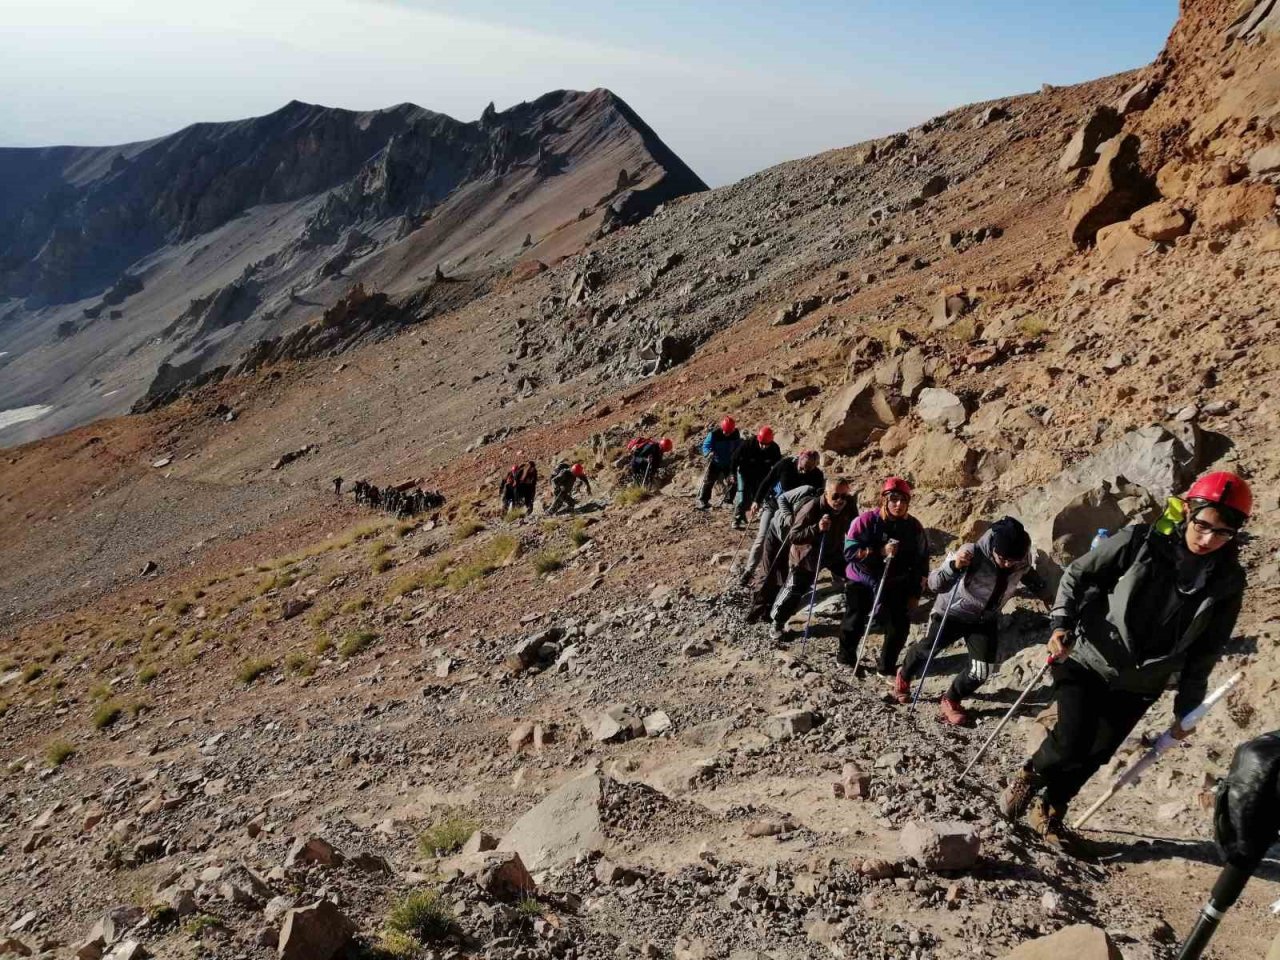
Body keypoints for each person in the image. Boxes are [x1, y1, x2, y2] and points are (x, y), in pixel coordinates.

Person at [999, 471, 1251, 849]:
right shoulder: (1139, 542)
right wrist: (1061, 623)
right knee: (1072, 740)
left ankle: (1052, 808)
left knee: (1098, 753)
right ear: (1187, 512)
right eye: (1202, 525)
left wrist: (1187, 708)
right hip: (1087, 657)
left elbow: (1206, 650)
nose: (1208, 539)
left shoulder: (1228, 581)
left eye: (1222, 534)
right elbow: (1076, 575)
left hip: (1142, 683)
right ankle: (1030, 776)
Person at [894, 517, 1047, 724]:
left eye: (1013, 560)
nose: (1008, 564)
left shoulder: (1020, 558)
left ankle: (951, 698)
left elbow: (1026, 572)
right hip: (953, 613)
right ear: (993, 547)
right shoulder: (970, 552)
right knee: (927, 650)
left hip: (985, 618)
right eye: (1003, 558)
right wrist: (955, 566)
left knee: (982, 670)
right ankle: (904, 676)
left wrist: (1042, 590)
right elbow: (934, 583)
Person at [839, 477, 929, 672]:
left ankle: (886, 667)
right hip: (862, 576)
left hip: (894, 581)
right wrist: (879, 552)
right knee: (855, 619)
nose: (898, 505)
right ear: (885, 500)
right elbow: (849, 552)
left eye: (903, 500)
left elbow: (921, 561)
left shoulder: (914, 527)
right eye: (894, 499)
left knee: (899, 625)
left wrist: (915, 593)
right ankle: (845, 658)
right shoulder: (865, 521)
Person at [767, 478, 858, 644]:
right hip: (807, 556)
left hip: (833, 551)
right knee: (795, 591)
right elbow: (793, 536)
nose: (840, 501)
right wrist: (817, 528)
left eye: (844, 496)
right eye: (835, 496)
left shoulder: (849, 503)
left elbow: (855, 525)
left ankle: (855, 615)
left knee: (855, 577)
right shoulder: (812, 508)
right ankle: (777, 623)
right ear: (826, 494)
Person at [738, 450, 824, 587]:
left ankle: (782, 577)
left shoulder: (817, 476)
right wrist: (757, 501)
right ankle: (749, 571)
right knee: (762, 537)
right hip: (774, 505)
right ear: (799, 460)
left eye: (809, 468)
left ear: (815, 465)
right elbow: (768, 481)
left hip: (795, 512)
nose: (804, 472)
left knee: (789, 542)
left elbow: (819, 498)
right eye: (802, 467)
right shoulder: (785, 465)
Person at [731, 426, 782, 530]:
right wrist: (732, 474)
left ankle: (747, 515)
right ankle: (736, 519)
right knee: (743, 497)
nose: (763, 446)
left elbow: (778, 466)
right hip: (745, 473)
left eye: (766, 444)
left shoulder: (774, 449)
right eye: (761, 444)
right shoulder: (747, 444)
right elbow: (734, 459)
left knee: (756, 497)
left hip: (761, 475)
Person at [696, 417, 743, 511]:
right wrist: (709, 453)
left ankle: (727, 501)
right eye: (726, 431)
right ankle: (703, 501)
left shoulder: (735, 434)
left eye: (730, 432)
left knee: (734, 481)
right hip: (715, 462)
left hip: (729, 463)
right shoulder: (714, 434)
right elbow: (705, 446)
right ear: (722, 428)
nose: (727, 434)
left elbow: (739, 447)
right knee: (709, 481)